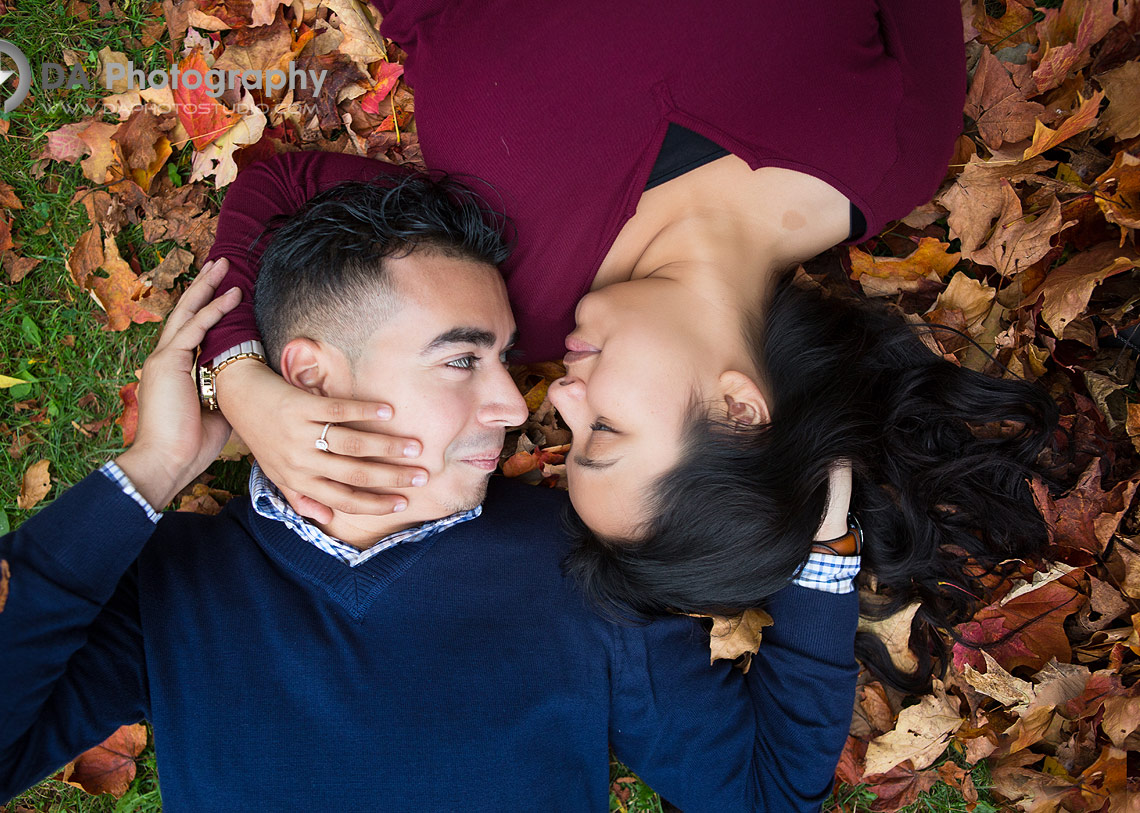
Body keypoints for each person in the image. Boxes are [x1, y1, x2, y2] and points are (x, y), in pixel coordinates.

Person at [0, 173, 862, 811]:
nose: (513, 402)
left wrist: (821, 551)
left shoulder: (570, 565)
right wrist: (147, 475)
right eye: (463, 358)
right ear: (315, 375)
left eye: (503, 358)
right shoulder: (176, 583)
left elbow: (765, 793)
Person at [194, 0, 1055, 690]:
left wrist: (238, 378)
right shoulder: (895, 151)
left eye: (564, 437)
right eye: (602, 433)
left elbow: (284, 190)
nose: (555, 396)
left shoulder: (503, 293)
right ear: (739, 407)